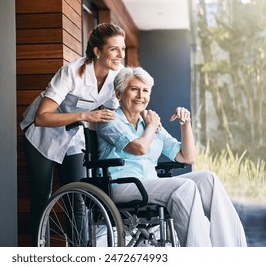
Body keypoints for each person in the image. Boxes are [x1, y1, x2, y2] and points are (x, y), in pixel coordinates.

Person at [96, 66, 247, 247]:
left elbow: (187, 157)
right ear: (119, 94)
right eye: (134, 89)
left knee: (208, 179)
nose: (140, 96)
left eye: (145, 91)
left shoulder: (151, 123)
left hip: (149, 184)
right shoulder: (110, 120)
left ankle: (230, 250)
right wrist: (152, 126)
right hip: (121, 185)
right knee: (185, 187)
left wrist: (185, 123)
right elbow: (139, 148)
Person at [20, 23, 126, 246]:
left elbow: (115, 107)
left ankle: (81, 253)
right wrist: (86, 117)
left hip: (71, 136)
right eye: (114, 49)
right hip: (42, 135)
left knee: (78, 196)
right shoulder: (71, 72)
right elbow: (42, 117)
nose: (120, 54)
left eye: (123, 48)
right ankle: (39, 252)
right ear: (97, 51)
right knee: (42, 197)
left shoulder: (115, 76)